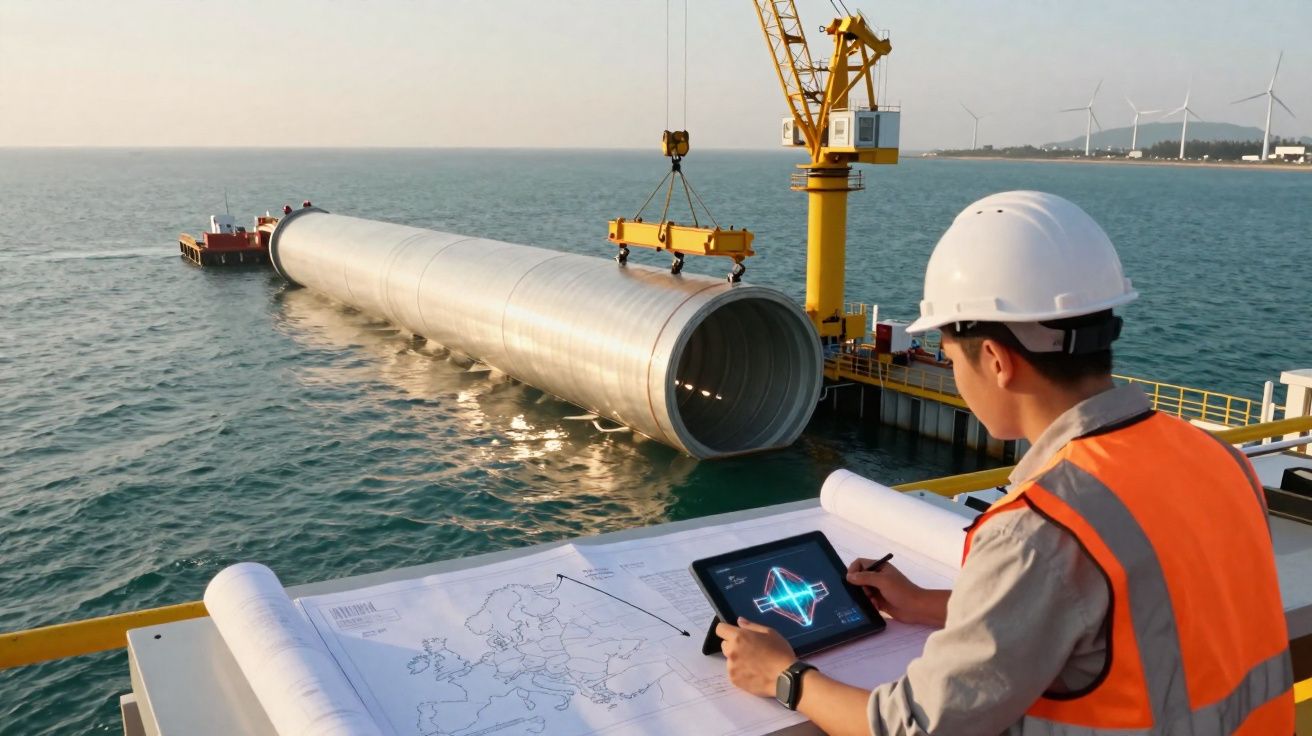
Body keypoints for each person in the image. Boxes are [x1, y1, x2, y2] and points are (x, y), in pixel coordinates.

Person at [716, 191, 1292, 735]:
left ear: (994, 359)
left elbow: (916, 726)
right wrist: (931, 606)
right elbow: (1140, 619)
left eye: (948, 357)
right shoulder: (1219, 458)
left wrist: (785, 678)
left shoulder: (1042, 530)